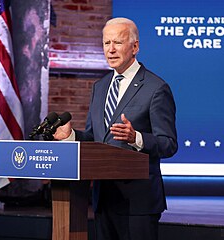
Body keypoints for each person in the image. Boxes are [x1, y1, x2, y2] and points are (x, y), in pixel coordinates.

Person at [54, 17, 178, 240]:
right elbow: (95, 138)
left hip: (138, 203)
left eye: (117, 43)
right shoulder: (100, 87)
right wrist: (71, 136)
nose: (110, 50)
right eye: (106, 43)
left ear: (135, 47)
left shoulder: (156, 88)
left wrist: (136, 138)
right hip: (104, 199)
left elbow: (168, 144)